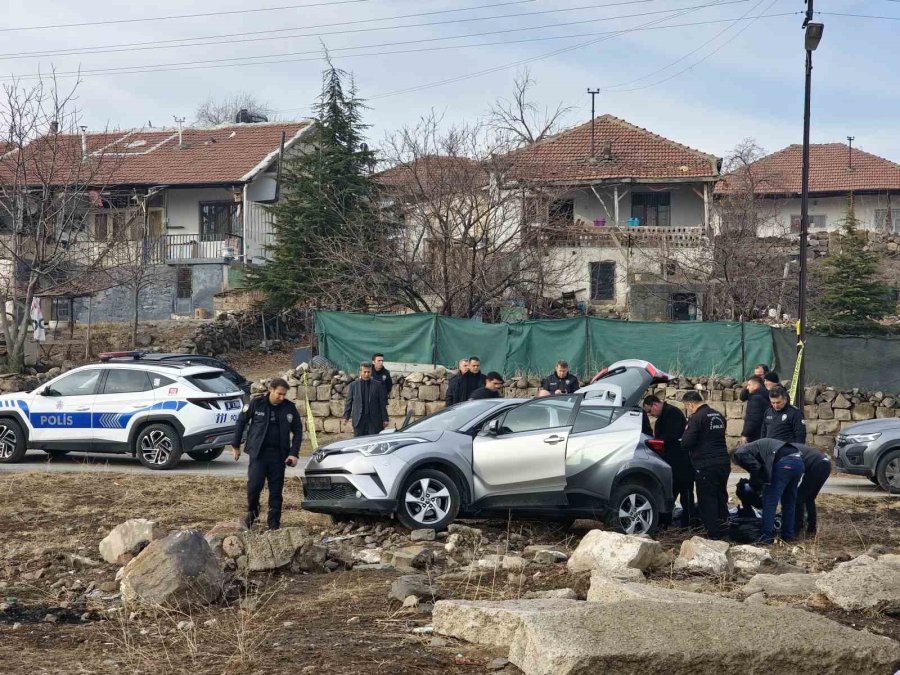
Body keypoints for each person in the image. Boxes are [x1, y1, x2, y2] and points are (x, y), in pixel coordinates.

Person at [231, 377, 302, 531]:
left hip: (279, 456)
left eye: (284, 395)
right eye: (279, 394)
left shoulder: (289, 408)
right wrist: (235, 445)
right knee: (254, 486)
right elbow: (241, 421)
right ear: (271, 390)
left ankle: (274, 524)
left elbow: (298, 431)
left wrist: (294, 453)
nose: (281, 397)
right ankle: (253, 511)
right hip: (258, 454)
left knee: (276, 491)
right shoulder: (257, 403)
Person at [732, 438, 806, 543]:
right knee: (789, 502)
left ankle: (767, 537)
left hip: (784, 464)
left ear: (734, 457)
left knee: (769, 502)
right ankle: (788, 535)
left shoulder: (739, 453)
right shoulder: (755, 448)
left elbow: (755, 468)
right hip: (798, 462)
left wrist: (755, 487)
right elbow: (762, 469)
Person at [680, 391, 730, 539]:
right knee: (721, 497)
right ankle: (725, 529)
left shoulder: (696, 418)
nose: (688, 410)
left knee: (707, 500)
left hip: (706, 464)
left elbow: (686, 442)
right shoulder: (718, 415)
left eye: (687, 407)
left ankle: (713, 535)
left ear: (690, 404)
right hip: (723, 462)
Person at [643, 395, 693, 527]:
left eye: (650, 411)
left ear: (655, 405)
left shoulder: (672, 413)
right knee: (670, 493)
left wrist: (658, 442)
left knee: (685, 494)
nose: (651, 415)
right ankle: (666, 523)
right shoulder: (664, 416)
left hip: (681, 461)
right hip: (671, 461)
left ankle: (688, 523)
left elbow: (672, 436)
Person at [795, 443, 832, 535]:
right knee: (809, 498)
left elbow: (795, 472)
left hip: (816, 466)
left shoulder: (788, 451)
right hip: (826, 464)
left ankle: (797, 526)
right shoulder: (795, 447)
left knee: (799, 497)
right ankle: (811, 528)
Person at [344, 362, 389, 437]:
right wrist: (346, 417)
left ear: (371, 372)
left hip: (374, 420)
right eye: (364, 372)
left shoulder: (378, 385)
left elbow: (382, 403)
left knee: (373, 441)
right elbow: (349, 402)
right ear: (360, 372)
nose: (367, 374)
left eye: (368, 372)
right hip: (359, 420)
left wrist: (385, 419)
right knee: (359, 441)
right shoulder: (353, 386)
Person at [740, 376, 771, 445]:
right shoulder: (765, 394)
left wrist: (745, 434)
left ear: (756, 385)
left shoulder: (755, 398)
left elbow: (752, 418)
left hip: (755, 436)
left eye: (749, 385)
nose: (747, 388)